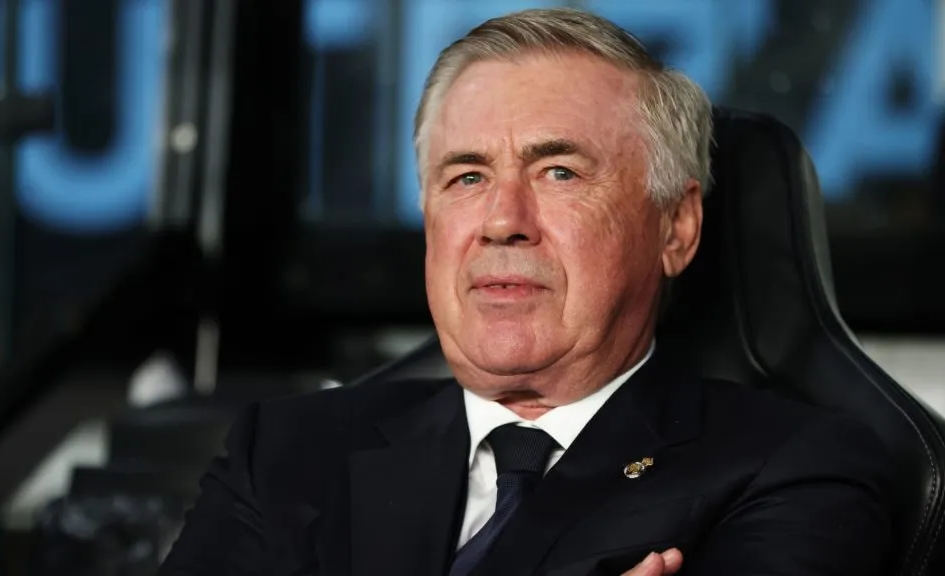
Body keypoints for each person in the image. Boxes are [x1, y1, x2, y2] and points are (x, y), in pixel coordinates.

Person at [160, 8, 892, 575]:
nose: (502, 221)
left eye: (560, 173)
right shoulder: (287, 451)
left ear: (676, 227)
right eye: (467, 177)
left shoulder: (794, 468)